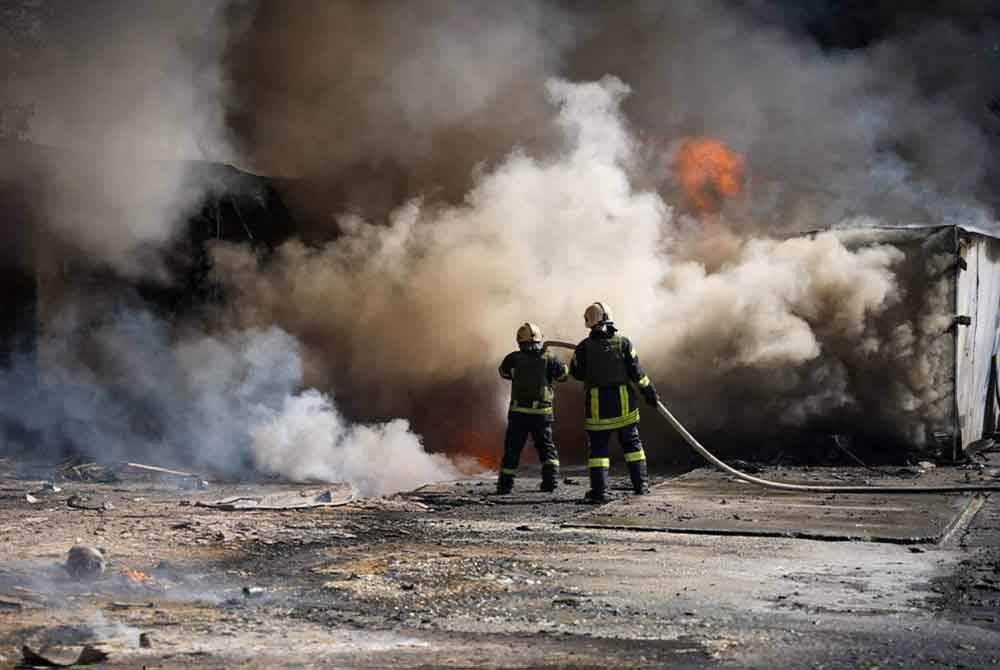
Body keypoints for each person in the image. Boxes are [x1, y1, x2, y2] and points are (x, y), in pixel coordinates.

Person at [570, 302, 658, 503]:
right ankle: (641, 486)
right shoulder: (624, 343)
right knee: (632, 445)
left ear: (589, 322)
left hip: (598, 407)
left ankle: (599, 492)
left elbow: (576, 373)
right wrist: (649, 393)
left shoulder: (583, 348)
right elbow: (638, 374)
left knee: (598, 451)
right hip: (624, 405)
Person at [497, 322, 569, 494]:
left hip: (518, 413)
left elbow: (504, 373)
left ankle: (505, 486)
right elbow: (563, 376)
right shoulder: (549, 358)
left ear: (520, 341)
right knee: (546, 448)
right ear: (538, 339)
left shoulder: (512, 359)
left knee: (512, 450)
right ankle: (550, 483)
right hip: (541, 414)